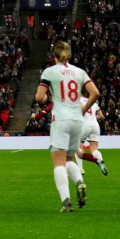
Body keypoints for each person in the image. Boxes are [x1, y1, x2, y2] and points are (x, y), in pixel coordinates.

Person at [35, 41, 99, 212]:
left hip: (61, 120)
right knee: (69, 159)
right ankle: (79, 182)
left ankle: (66, 201)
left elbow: (39, 97)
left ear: (54, 55)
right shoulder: (80, 72)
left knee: (59, 163)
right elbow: (95, 93)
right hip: (78, 121)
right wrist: (83, 109)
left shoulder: (50, 72)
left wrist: (44, 99)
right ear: (70, 55)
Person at [75, 101, 108, 176]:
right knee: (94, 148)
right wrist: (93, 118)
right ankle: (101, 163)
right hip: (95, 125)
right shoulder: (94, 102)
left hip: (84, 125)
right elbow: (101, 116)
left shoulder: (79, 100)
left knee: (78, 146)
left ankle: (80, 169)